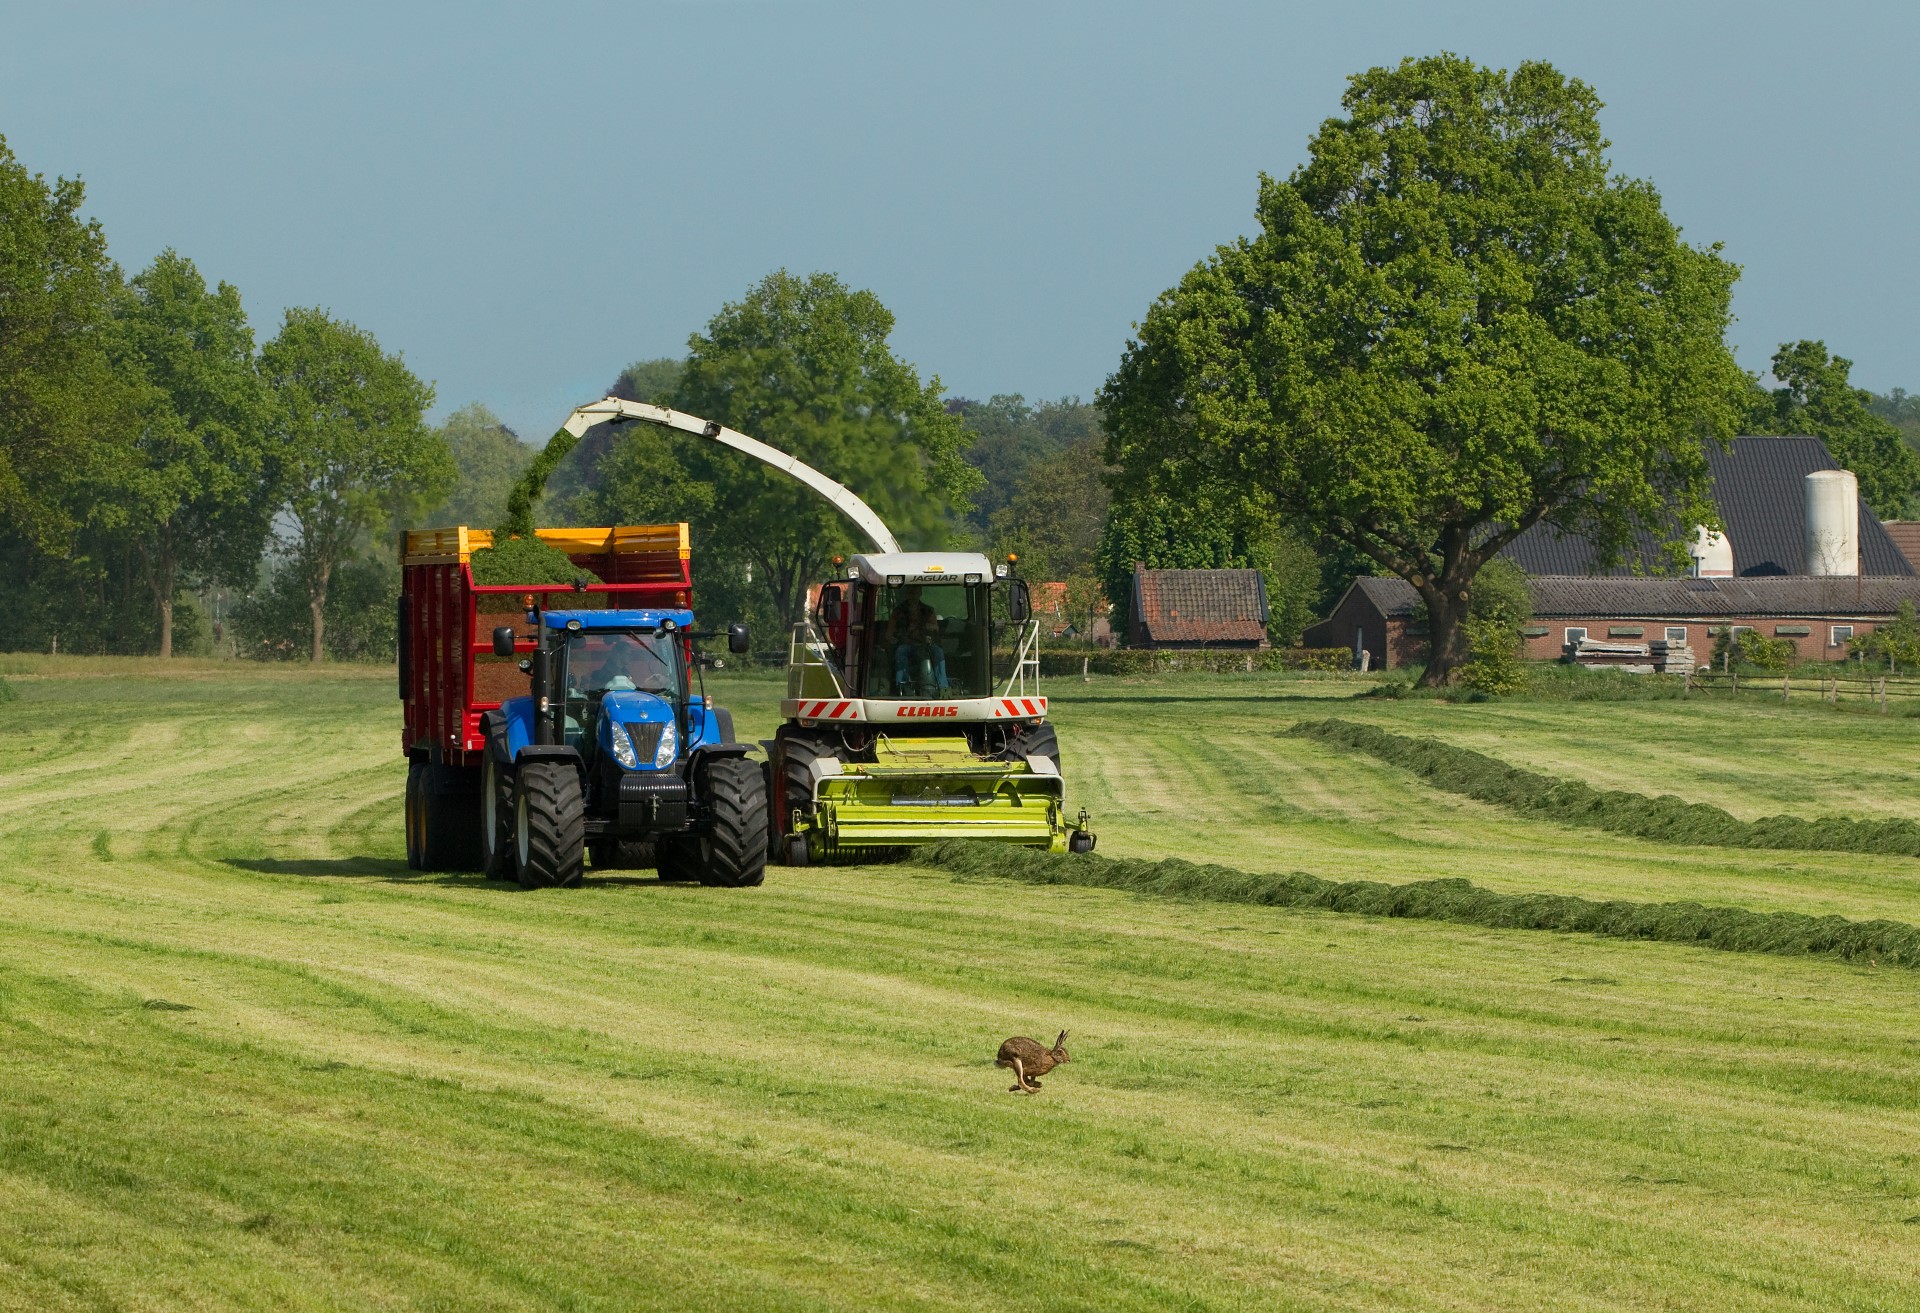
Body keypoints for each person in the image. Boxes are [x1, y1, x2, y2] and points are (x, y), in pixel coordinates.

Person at [885, 585, 948, 696]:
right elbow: (889, 633)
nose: (913, 595)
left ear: (920, 593)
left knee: (938, 651)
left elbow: (935, 628)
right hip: (906, 644)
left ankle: (943, 688)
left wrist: (924, 628)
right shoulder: (898, 612)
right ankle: (903, 687)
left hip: (925, 645)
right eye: (911, 592)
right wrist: (894, 639)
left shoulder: (928, 610)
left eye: (915, 592)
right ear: (907, 593)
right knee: (900, 651)